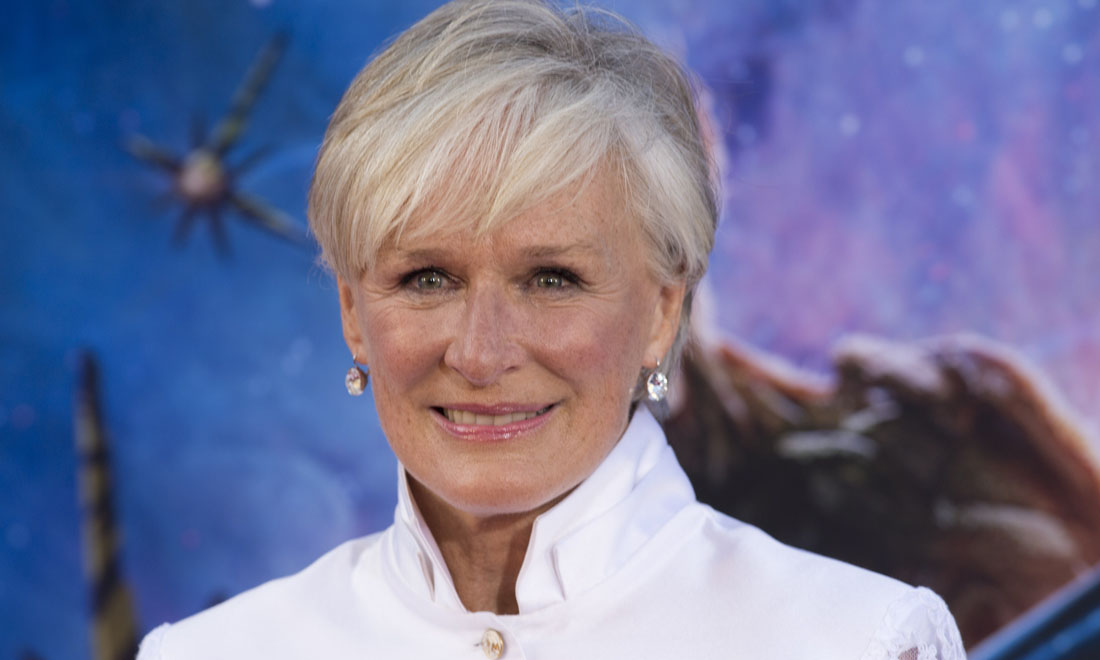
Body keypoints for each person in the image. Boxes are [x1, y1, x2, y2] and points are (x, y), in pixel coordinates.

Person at [137, 0, 966, 657]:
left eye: (551, 280)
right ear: (354, 313)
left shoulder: (853, 641)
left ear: (662, 312)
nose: (480, 352)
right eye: (427, 279)